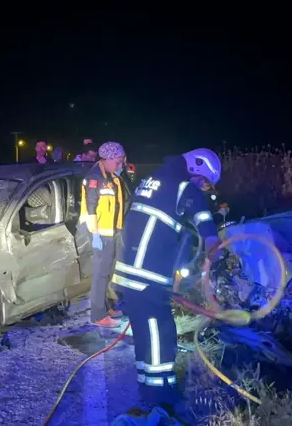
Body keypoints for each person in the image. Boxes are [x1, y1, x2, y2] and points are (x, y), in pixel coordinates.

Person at [112, 148, 222, 414]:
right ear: (197, 167)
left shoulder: (155, 179)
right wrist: (213, 242)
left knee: (143, 331)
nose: (202, 188)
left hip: (130, 271)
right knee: (159, 332)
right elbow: (203, 216)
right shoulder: (183, 185)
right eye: (204, 181)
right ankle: (160, 395)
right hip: (146, 274)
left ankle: (147, 386)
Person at [79, 141, 128, 328]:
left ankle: (106, 306)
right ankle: (98, 315)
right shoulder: (95, 178)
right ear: (107, 159)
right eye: (118, 161)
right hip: (100, 233)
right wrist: (96, 234)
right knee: (100, 275)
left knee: (107, 273)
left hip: (112, 232)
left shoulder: (111, 176)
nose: (121, 165)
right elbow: (91, 208)